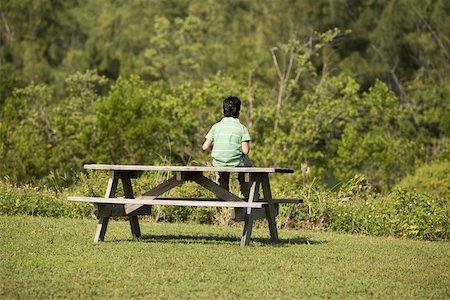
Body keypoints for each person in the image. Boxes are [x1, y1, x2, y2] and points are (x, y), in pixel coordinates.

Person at [202, 96, 252, 198]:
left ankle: (222, 195)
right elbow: (246, 151)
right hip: (236, 162)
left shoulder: (216, 126)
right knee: (247, 163)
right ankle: (247, 192)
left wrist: (216, 150)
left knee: (222, 172)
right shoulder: (242, 128)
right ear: (238, 111)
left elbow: (205, 147)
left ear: (223, 110)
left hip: (218, 162)